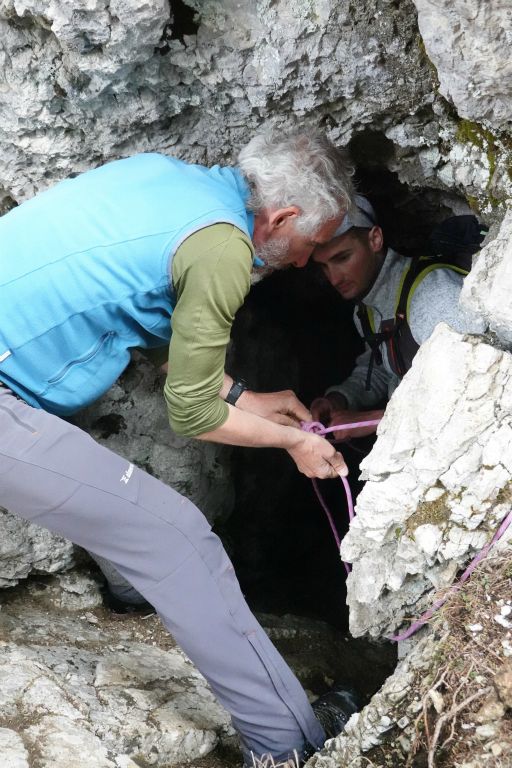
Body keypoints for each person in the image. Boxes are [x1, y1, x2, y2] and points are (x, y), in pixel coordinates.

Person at [0, 130, 358, 766]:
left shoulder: (165, 179)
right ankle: (289, 748)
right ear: (283, 217)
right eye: (311, 244)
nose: (305, 263)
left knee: (116, 497)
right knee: (179, 536)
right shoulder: (222, 248)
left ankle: (142, 600)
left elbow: (183, 365)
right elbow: (192, 412)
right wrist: (290, 445)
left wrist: (249, 397)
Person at [311, 196, 486, 439]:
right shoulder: (365, 309)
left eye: (342, 258)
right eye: (323, 267)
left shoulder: (432, 296)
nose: (334, 278)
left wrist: (371, 421)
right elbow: (384, 369)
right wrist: (340, 399)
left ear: (375, 239)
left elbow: (476, 389)